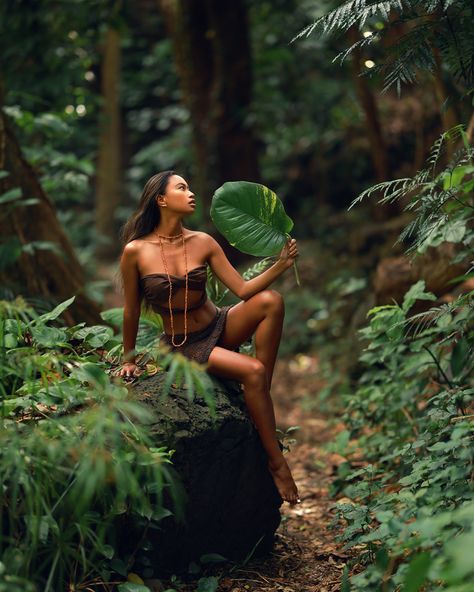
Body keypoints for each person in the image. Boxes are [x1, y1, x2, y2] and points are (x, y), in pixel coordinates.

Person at [116, 170, 301, 506]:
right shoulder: (136, 251)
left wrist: (281, 265)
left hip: (219, 323)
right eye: (182, 188)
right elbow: (130, 311)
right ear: (161, 199)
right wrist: (128, 359)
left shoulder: (202, 241)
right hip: (184, 345)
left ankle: (258, 396)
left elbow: (243, 290)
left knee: (271, 302)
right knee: (254, 372)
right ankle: (277, 462)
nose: (191, 194)